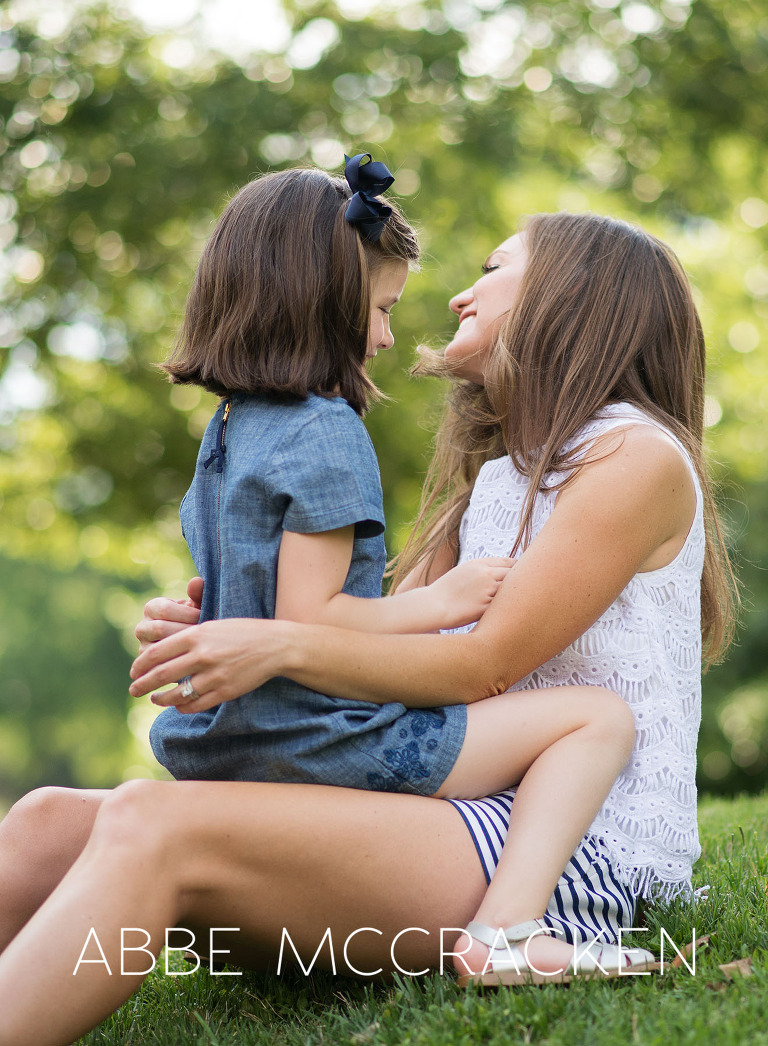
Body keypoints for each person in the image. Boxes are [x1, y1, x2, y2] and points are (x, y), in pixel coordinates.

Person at [0, 211, 734, 1046]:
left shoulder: (633, 458)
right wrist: (228, 625)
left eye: (493, 269)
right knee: (45, 819)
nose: (460, 294)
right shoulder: (491, 484)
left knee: (153, 822)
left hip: (567, 854)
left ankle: (512, 935)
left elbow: (482, 668)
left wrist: (278, 643)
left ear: (574, 300)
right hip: (449, 803)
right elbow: (374, 648)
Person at [145, 155, 642, 983]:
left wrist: (231, 622)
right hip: (317, 737)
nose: (386, 335)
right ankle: (508, 934)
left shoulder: (229, 430)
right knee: (596, 717)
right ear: (324, 299)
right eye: (380, 309)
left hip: (222, 736)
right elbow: (320, 620)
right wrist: (439, 600)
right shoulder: (325, 429)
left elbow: (281, 611)